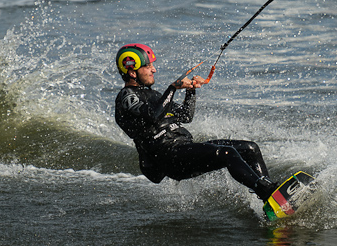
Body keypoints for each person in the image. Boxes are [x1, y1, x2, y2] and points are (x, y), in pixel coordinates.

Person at [114, 43, 280, 202]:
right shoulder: (127, 96)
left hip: (182, 149)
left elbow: (186, 116)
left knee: (250, 149)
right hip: (168, 157)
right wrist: (172, 88)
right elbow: (152, 116)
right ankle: (266, 191)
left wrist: (190, 91)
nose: (154, 70)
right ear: (133, 72)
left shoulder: (155, 95)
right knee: (226, 153)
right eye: (148, 66)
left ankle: (271, 198)